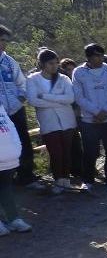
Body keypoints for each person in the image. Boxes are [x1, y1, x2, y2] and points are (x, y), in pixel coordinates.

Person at [72, 43, 107, 191]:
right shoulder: (78, 72)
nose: (100, 58)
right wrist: (96, 112)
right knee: (90, 151)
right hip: (90, 120)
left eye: (102, 55)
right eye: (96, 55)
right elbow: (79, 97)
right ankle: (88, 180)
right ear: (88, 57)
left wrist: (105, 111)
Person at [26, 49, 78, 193]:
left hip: (67, 121)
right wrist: (58, 101)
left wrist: (46, 96)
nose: (54, 66)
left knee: (67, 151)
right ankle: (58, 181)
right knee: (56, 152)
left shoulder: (64, 79)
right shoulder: (32, 79)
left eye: (56, 63)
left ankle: (66, 180)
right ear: (42, 64)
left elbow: (70, 98)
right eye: (50, 63)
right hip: (48, 122)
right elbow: (33, 100)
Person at [0, 24, 42, 189]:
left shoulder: (9, 61)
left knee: (23, 142)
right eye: (0, 40)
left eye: (5, 40)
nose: (3, 43)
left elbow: (22, 84)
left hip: (16, 110)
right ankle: (6, 181)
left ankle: (26, 176)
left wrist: (18, 100)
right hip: (0, 114)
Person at [0, 104, 32, 235]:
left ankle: (13, 219)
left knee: (6, 189)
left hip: (9, 158)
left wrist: (17, 149)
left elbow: (11, 128)